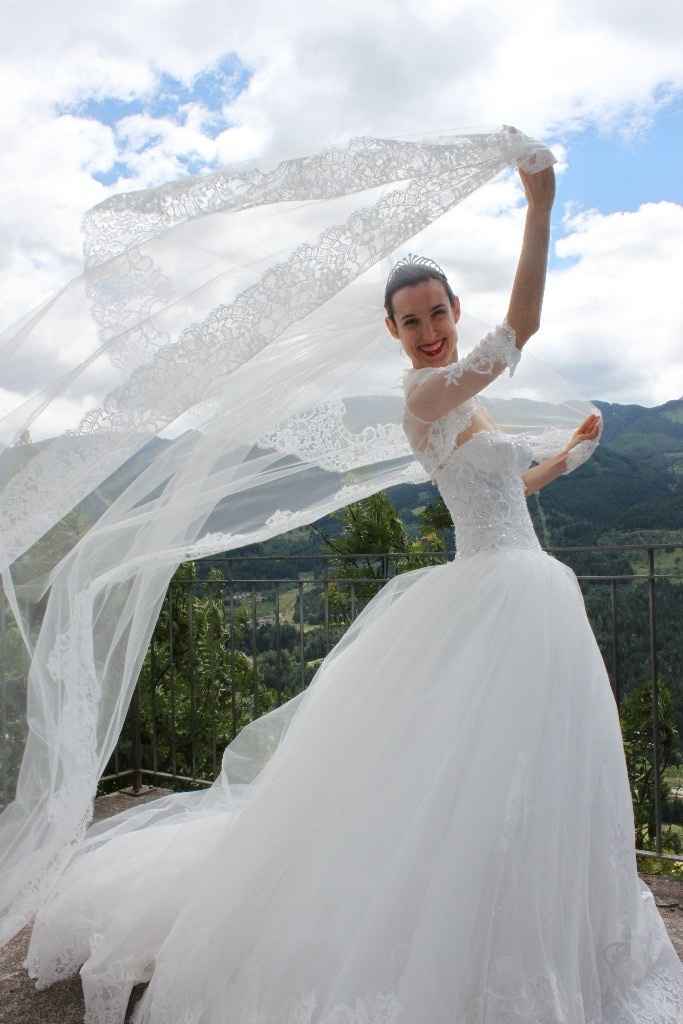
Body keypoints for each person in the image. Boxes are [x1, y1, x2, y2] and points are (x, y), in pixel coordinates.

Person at [21, 161, 682, 1024]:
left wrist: (567, 457)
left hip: (515, 587)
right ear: (392, 332)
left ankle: (525, 917)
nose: (430, 331)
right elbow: (521, 324)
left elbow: (500, 495)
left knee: (519, 775)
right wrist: (540, 204)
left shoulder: (464, 409)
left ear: (451, 311)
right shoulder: (425, 397)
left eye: (439, 313)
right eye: (412, 322)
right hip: (500, 599)